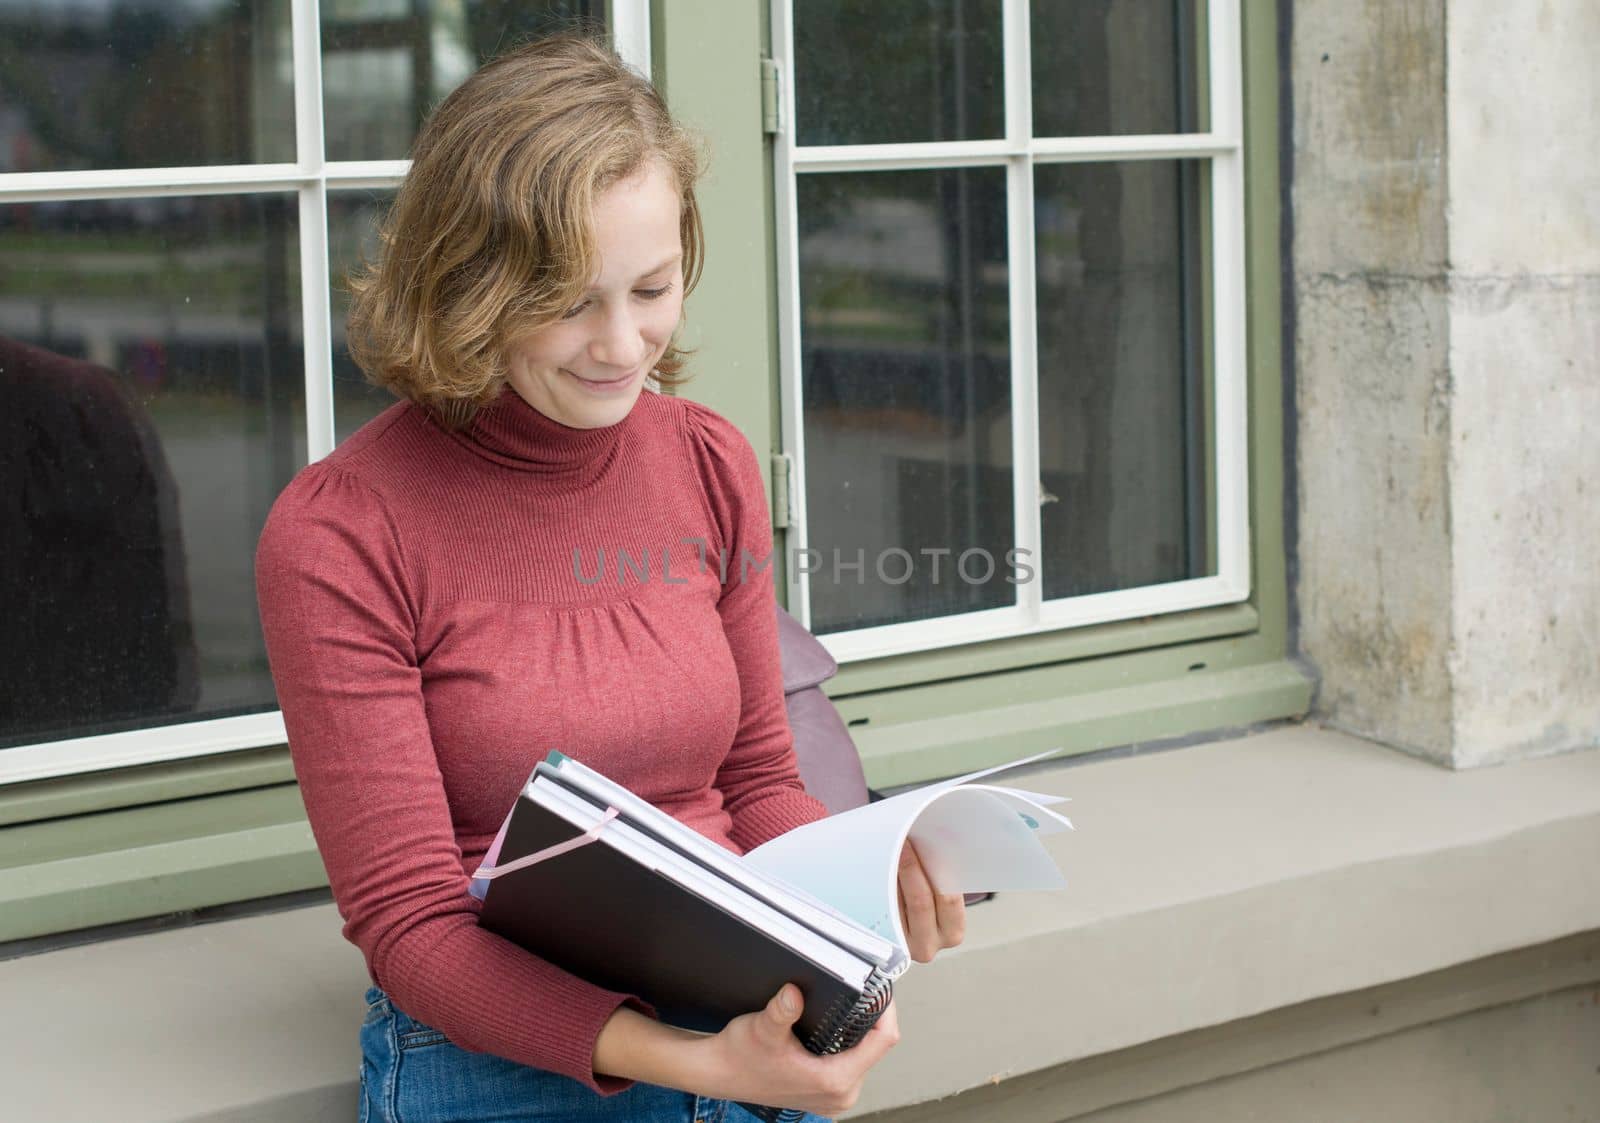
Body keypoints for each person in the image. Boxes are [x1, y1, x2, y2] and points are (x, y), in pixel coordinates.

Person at [255, 34, 965, 1123]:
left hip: (746, 1031)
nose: (622, 344)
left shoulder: (705, 461)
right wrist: (704, 1068)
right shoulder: (342, 533)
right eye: (572, 301)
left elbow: (757, 780)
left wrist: (856, 886)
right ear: (468, 285)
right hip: (497, 1071)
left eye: (652, 288)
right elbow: (410, 923)